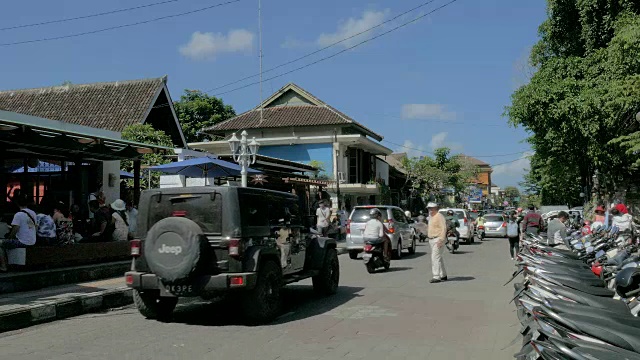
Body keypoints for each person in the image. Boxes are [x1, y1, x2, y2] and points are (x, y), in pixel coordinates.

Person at [0, 194, 37, 271]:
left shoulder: (18, 214)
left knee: (1, 243)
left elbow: (15, 229)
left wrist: (10, 237)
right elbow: (34, 226)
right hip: (32, 241)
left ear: (17, 204)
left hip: (22, 241)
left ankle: (3, 266)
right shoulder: (33, 213)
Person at [426, 202, 447, 283]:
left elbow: (443, 228)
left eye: (431, 208)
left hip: (438, 239)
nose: (430, 210)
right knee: (438, 257)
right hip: (431, 239)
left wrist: (441, 240)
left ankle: (436, 276)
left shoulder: (439, 216)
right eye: (429, 208)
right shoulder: (431, 217)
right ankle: (443, 274)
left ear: (435, 208)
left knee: (435, 257)